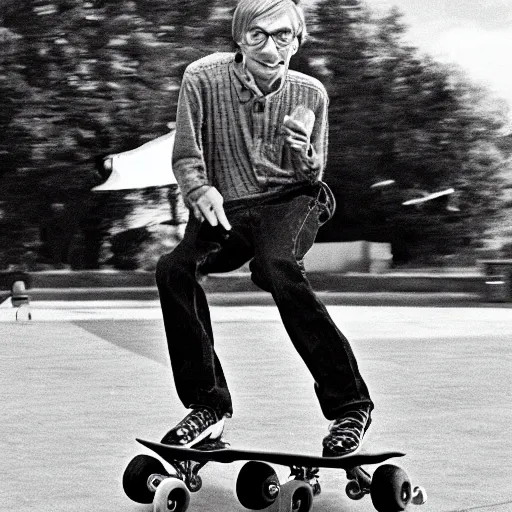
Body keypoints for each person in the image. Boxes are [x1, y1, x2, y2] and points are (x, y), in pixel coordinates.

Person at [155, 0, 373, 456]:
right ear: (239, 36)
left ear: (297, 42)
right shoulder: (202, 78)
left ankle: (350, 405)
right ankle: (207, 405)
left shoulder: (311, 93)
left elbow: (313, 174)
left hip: (292, 201)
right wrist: (199, 190)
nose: (271, 49)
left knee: (276, 267)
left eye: (284, 37)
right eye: (258, 35)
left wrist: (302, 151)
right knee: (175, 269)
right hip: (226, 206)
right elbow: (186, 152)